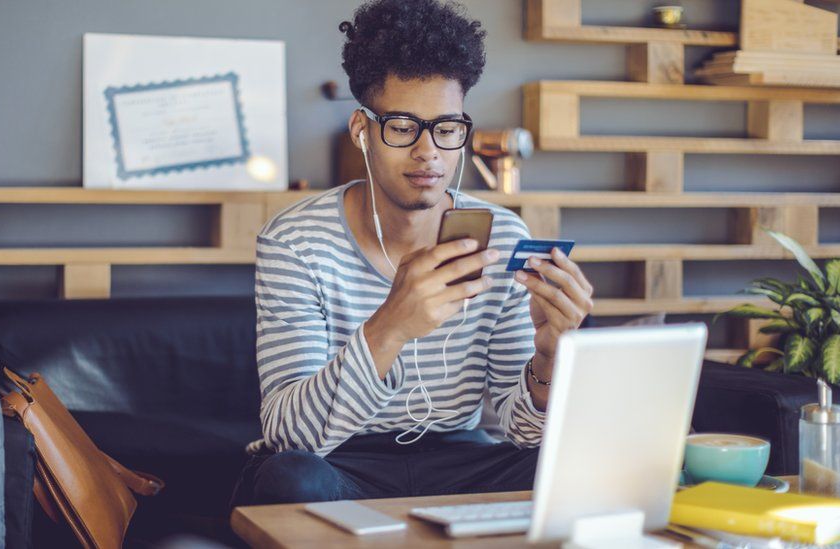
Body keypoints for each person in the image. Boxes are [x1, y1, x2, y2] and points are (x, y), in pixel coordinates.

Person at [232, 0, 594, 506]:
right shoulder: (294, 242)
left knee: (572, 463)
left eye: (447, 129)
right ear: (363, 130)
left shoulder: (504, 237)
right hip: (341, 462)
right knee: (290, 478)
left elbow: (523, 432)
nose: (429, 152)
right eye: (403, 127)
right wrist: (392, 326)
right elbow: (293, 437)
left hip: (462, 460)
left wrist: (552, 355)